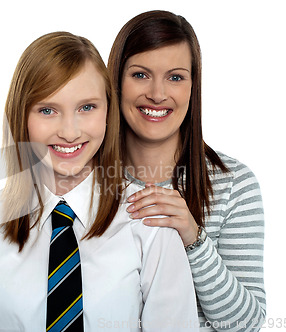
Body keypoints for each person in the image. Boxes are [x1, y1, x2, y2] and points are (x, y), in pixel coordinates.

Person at [0, 31, 199, 331]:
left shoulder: (148, 222)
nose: (69, 132)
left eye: (86, 108)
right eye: (47, 110)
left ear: (109, 111)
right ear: (21, 117)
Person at [107, 10, 266, 332]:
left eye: (175, 77)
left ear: (194, 87)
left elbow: (246, 325)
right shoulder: (82, 180)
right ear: (116, 82)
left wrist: (193, 239)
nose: (157, 93)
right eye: (140, 74)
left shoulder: (233, 183)